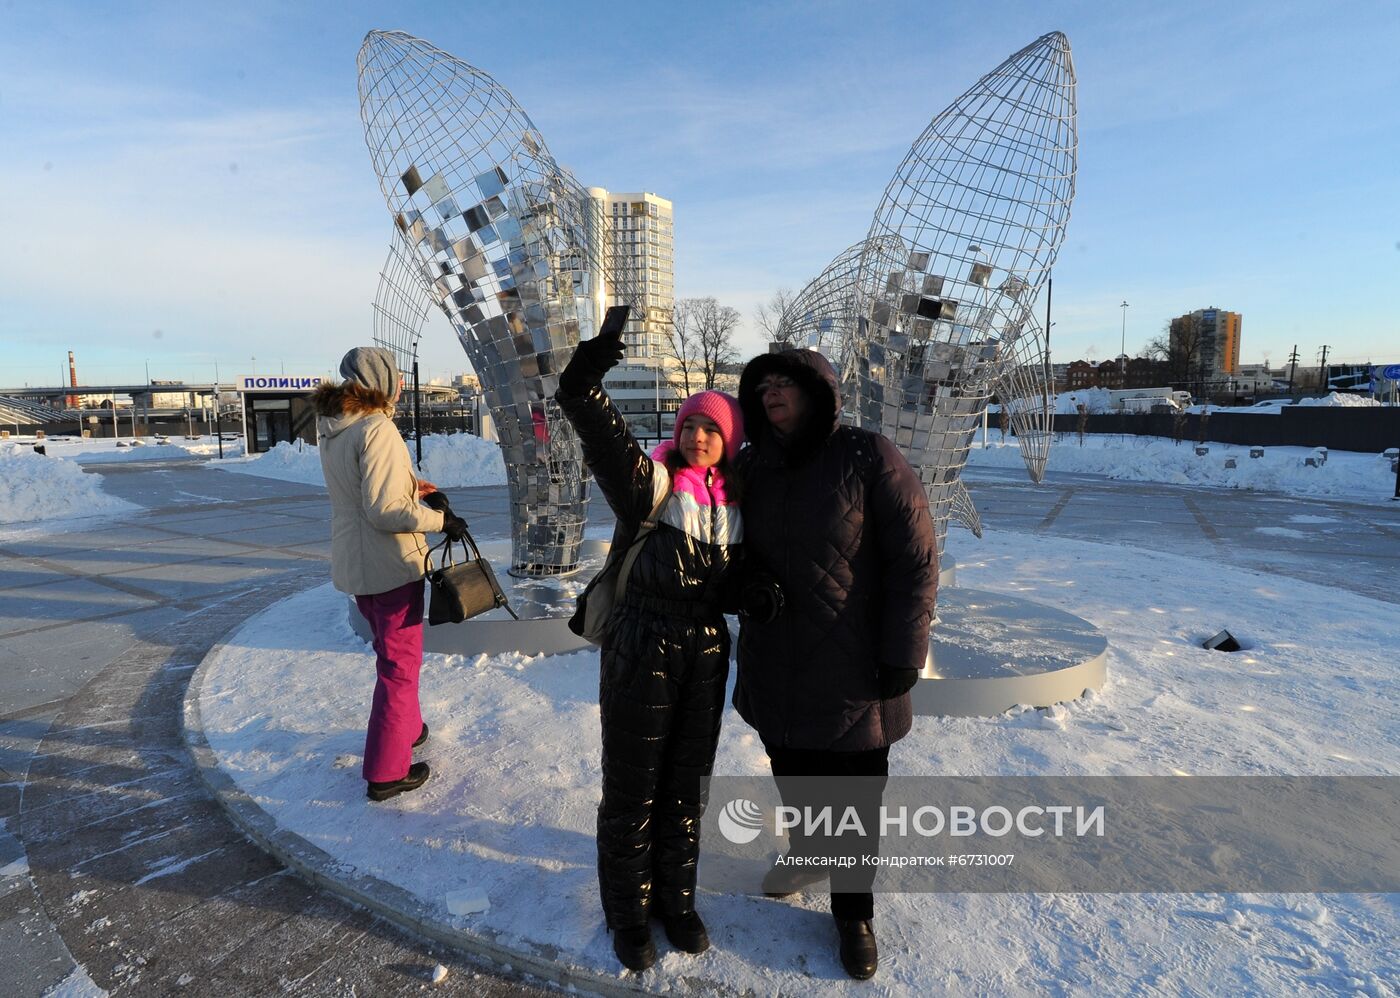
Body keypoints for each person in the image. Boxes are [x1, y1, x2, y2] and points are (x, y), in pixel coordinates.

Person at [732, 348, 938, 981]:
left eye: (783, 384)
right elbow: (724, 540)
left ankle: (854, 913)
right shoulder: (751, 466)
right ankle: (806, 849)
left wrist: (904, 653)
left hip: (853, 667)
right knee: (792, 770)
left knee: (853, 795)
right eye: (761, 386)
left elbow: (916, 558)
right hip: (777, 659)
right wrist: (742, 583)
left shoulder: (866, 455)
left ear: (818, 391)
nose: (770, 394)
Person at [555, 326, 746, 973]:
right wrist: (587, 374)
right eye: (692, 425)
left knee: (686, 792)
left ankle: (677, 903)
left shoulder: (736, 510)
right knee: (634, 791)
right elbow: (601, 436)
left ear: (729, 443)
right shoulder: (654, 485)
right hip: (643, 646)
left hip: (704, 655)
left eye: (712, 430)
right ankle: (629, 915)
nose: (698, 437)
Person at [313, 347, 468, 802]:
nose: (401, 385)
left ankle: (408, 728)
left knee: (392, 658)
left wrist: (411, 485)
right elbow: (384, 510)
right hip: (389, 565)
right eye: (396, 378)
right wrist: (442, 522)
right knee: (400, 669)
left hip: (358, 565)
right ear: (383, 382)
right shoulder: (377, 428)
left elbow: (357, 486)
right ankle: (386, 772)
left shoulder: (335, 428)